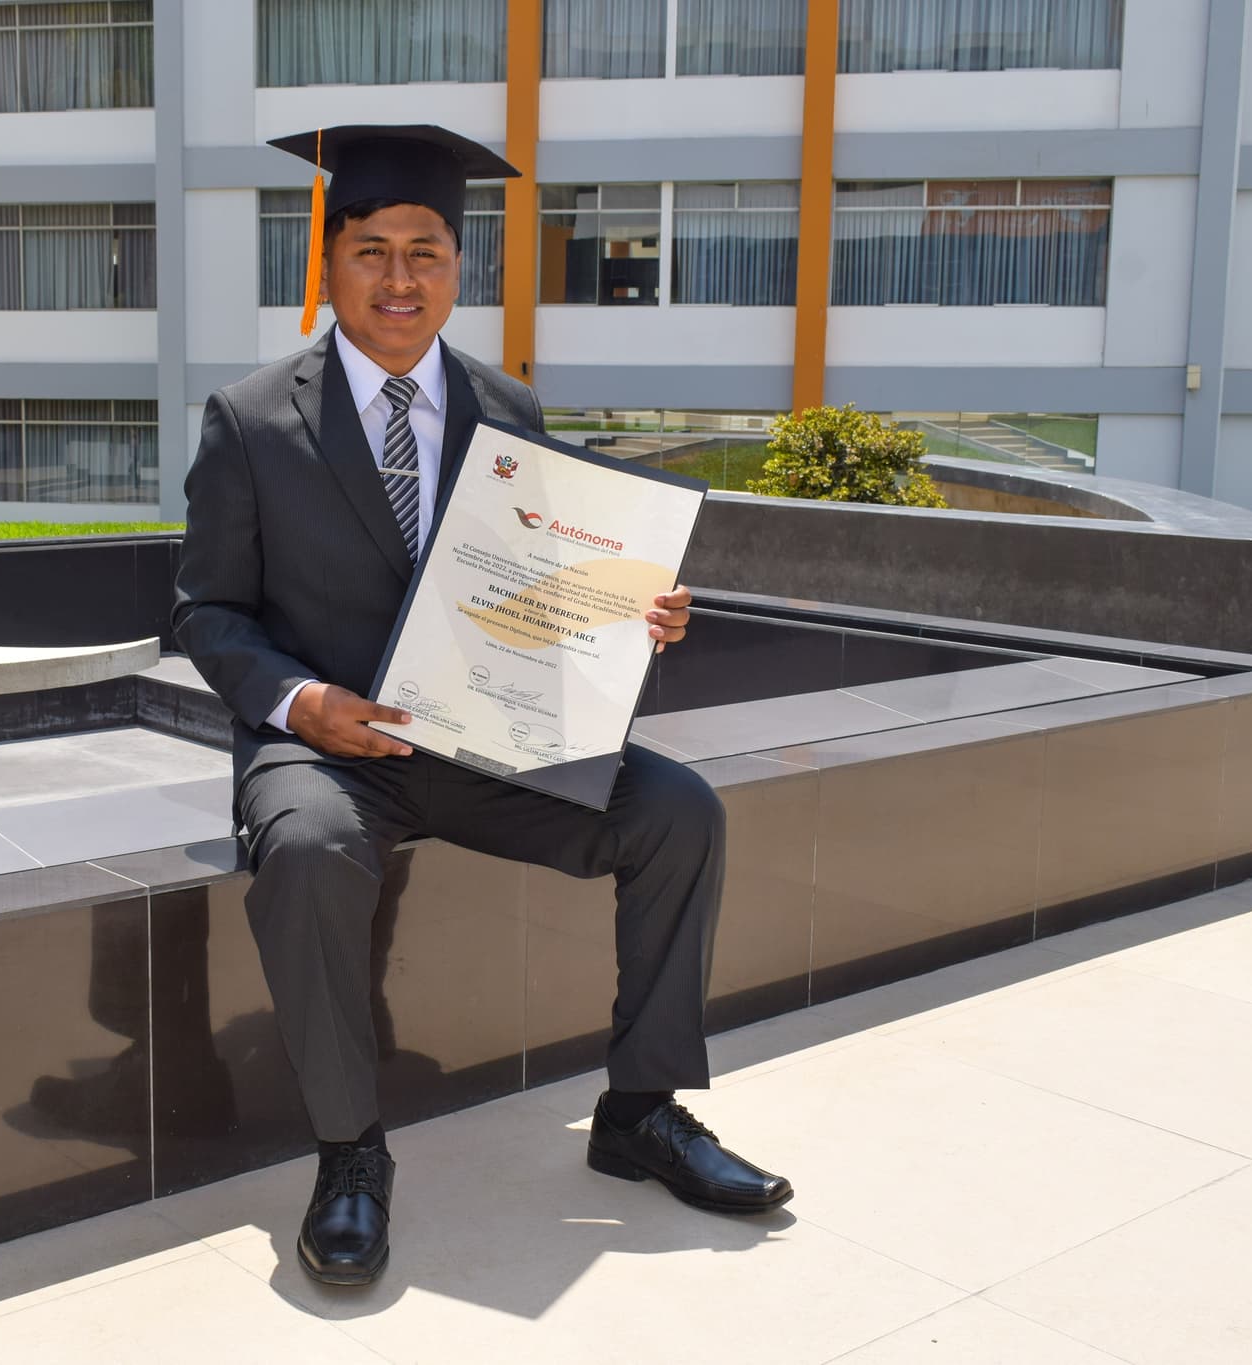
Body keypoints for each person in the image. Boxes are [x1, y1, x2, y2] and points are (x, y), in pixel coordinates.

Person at [172, 124, 792, 1289]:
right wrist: (302, 706)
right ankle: (350, 1156)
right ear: (327, 262)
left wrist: (632, 617)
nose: (399, 280)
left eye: (426, 252)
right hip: (334, 754)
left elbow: (544, 584)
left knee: (678, 812)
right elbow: (206, 614)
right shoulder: (252, 420)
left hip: (485, 743)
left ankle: (641, 1112)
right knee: (303, 851)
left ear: (457, 267)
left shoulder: (505, 406)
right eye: (372, 251)